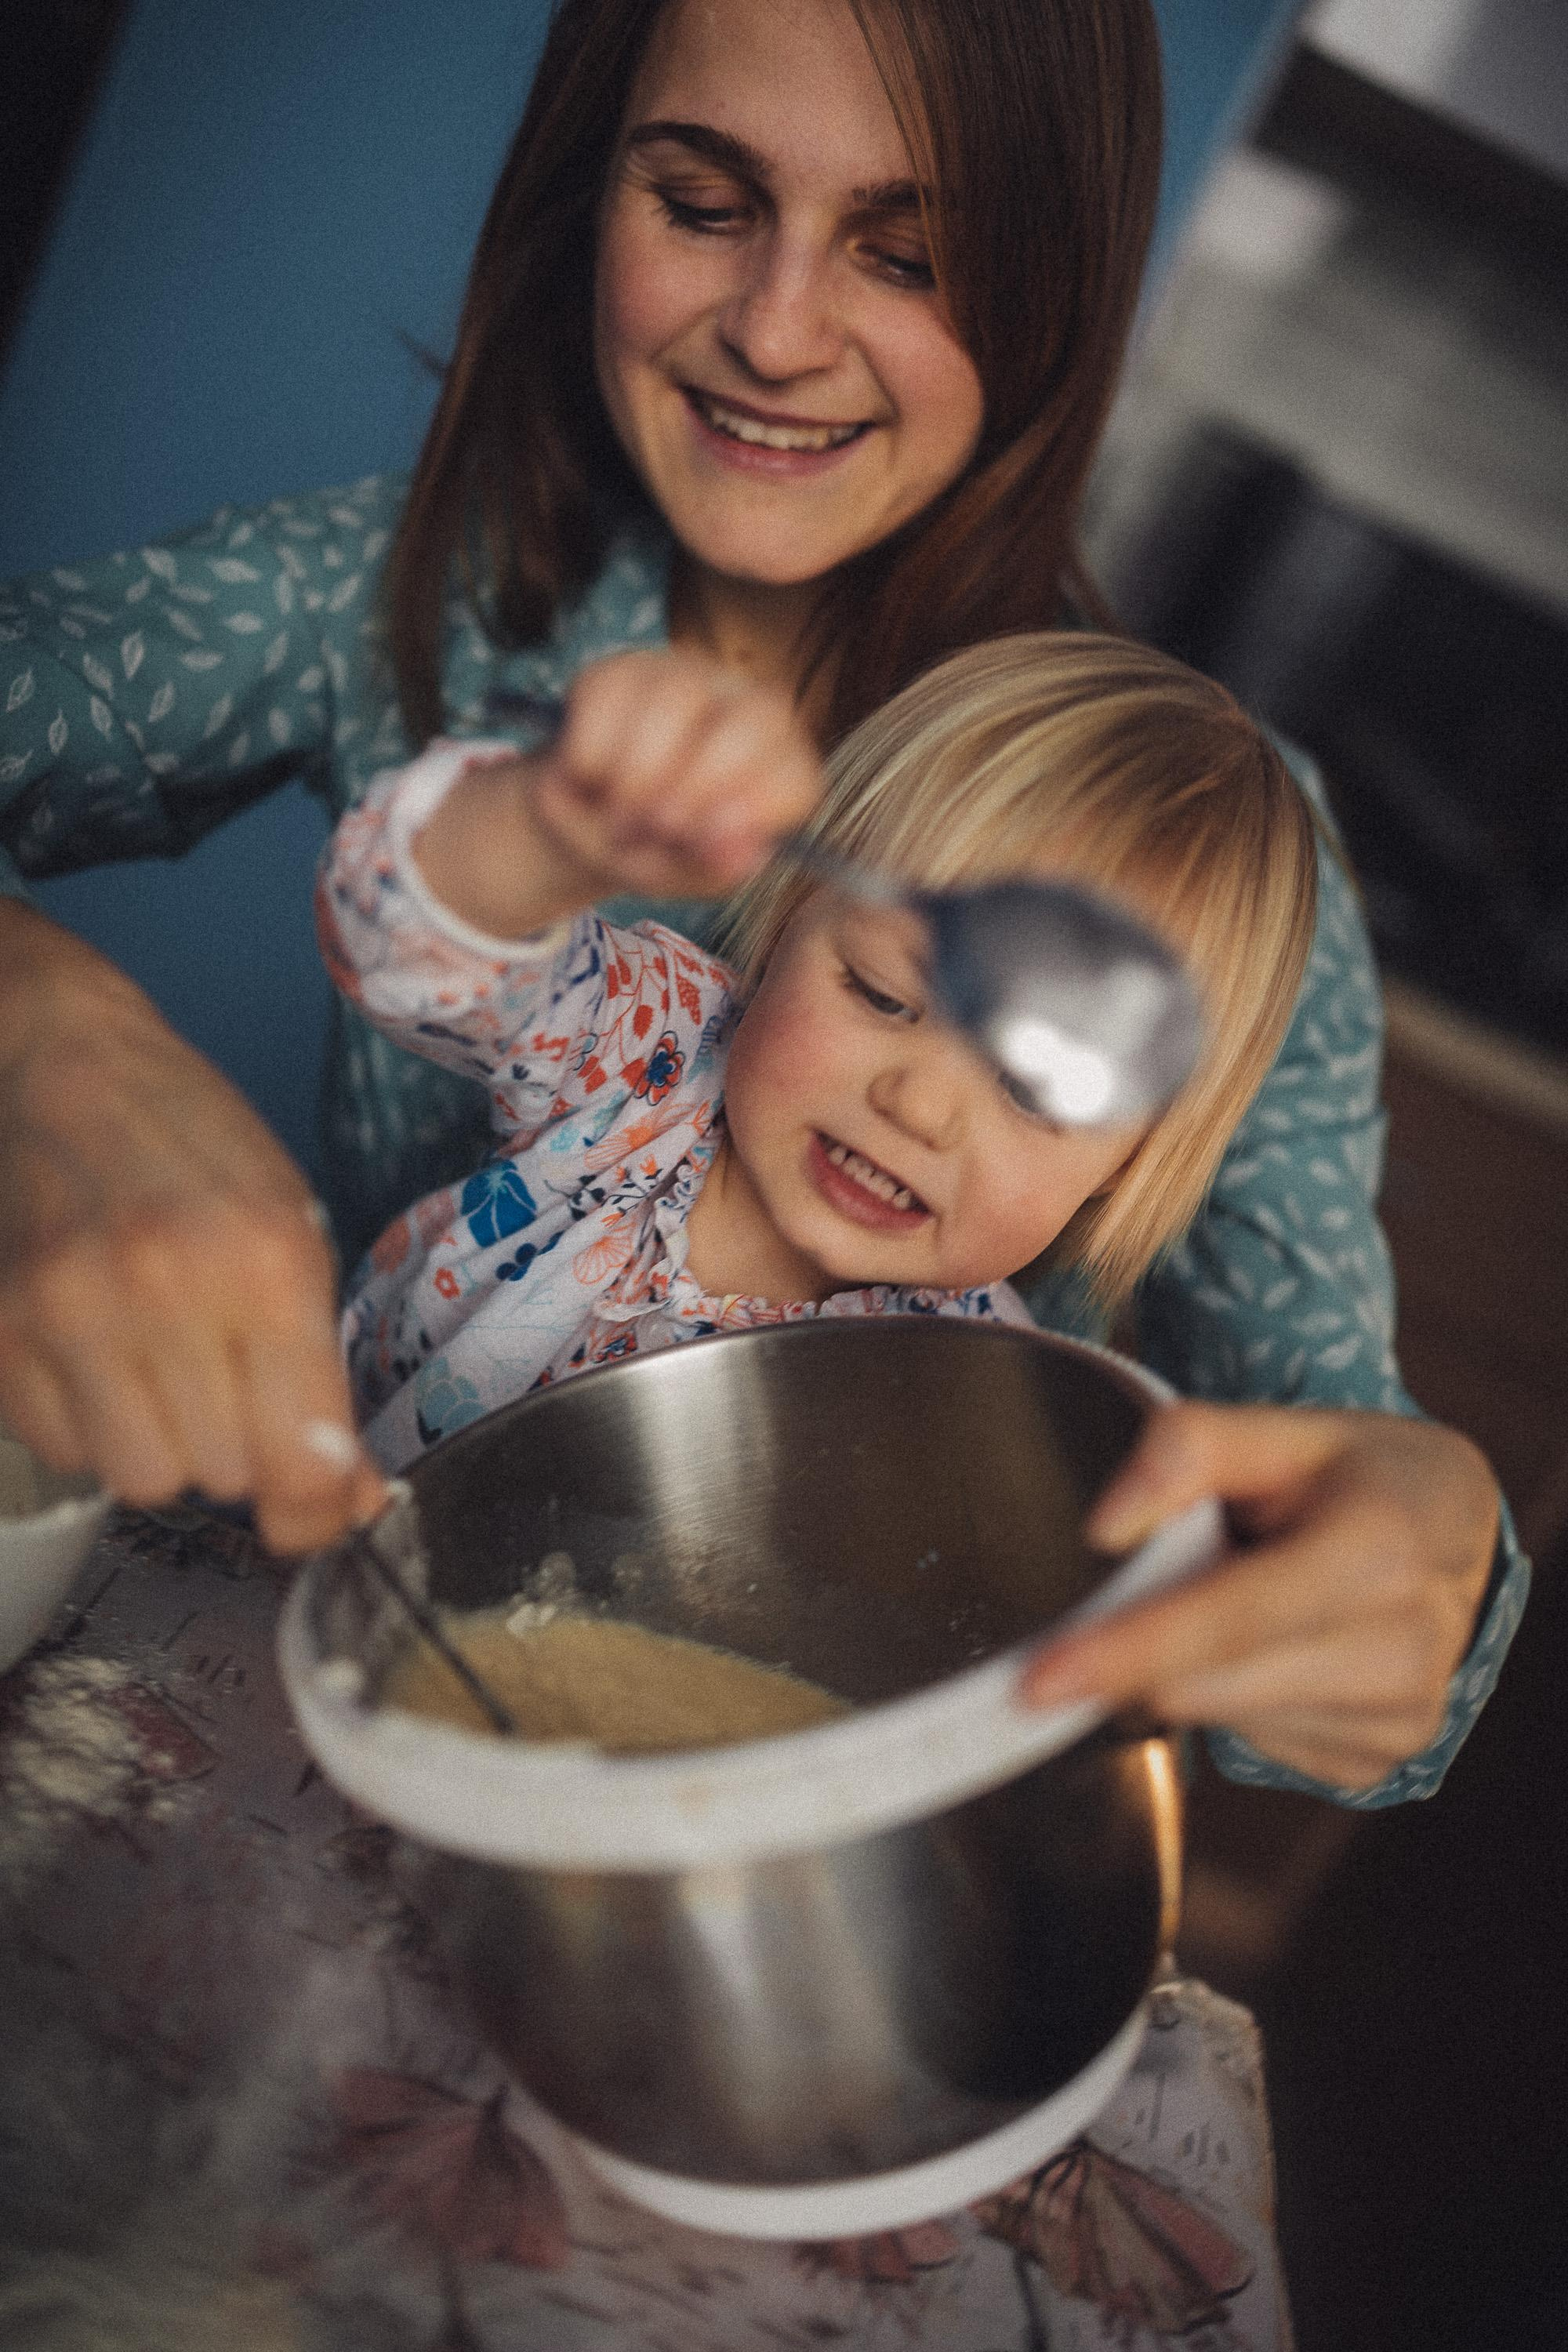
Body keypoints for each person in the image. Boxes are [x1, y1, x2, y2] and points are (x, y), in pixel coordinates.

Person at [0, 0, 1522, 1808]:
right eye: (703, 201)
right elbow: (439, 942)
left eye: (908, 250)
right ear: (592, 195)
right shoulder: (580, 903)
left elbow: (1324, 1591)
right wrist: (51, 1037)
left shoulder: (1209, 885)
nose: (780, 332)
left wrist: (1413, 1545)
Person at [320, 633, 1317, 1473]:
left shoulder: (976, 1416)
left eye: (1029, 1087)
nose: (917, 1106)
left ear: (1127, 1163)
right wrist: (549, 826)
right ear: (791, 915)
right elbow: (406, 940)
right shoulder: (643, 1050)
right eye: (882, 995)